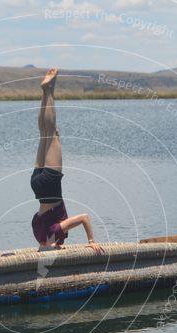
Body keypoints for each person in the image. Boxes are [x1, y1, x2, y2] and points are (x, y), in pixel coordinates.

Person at [30, 68, 104, 254]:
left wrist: (91, 241)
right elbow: (47, 238)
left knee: (53, 132)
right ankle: (45, 91)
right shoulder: (39, 233)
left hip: (50, 184)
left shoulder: (53, 232)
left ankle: (50, 89)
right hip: (37, 185)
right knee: (44, 134)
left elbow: (84, 218)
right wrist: (55, 245)